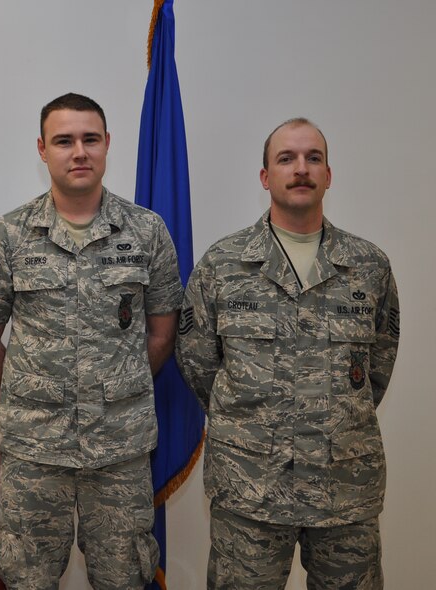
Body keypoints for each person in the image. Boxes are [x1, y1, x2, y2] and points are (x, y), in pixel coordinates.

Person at [0, 93, 182, 589]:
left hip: (120, 452)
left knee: (125, 577)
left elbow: (163, 334)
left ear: (107, 145)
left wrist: (113, 389)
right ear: (42, 150)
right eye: (64, 140)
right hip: (34, 452)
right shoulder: (9, 236)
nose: (78, 151)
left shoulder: (147, 232)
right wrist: (35, 392)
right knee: (27, 579)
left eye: (89, 139)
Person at [176, 118, 400, 589]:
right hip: (249, 488)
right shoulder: (224, 264)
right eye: (286, 158)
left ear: (328, 174)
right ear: (265, 177)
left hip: (345, 489)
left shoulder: (368, 266)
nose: (301, 169)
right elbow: (198, 364)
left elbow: (376, 366)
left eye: (312, 158)